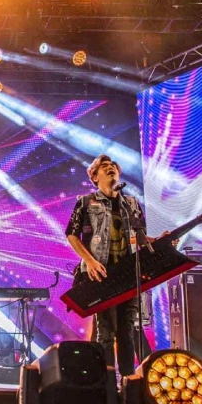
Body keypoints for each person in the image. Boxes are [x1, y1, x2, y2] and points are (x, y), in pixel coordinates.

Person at [65, 154, 160, 377]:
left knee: (127, 332)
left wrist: (160, 240)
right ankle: (106, 384)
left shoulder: (131, 204)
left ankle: (127, 383)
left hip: (128, 275)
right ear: (94, 177)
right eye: (104, 166)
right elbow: (71, 234)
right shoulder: (86, 202)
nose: (110, 168)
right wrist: (90, 262)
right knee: (105, 332)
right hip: (101, 274)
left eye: (113, 166)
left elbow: (141, 238)